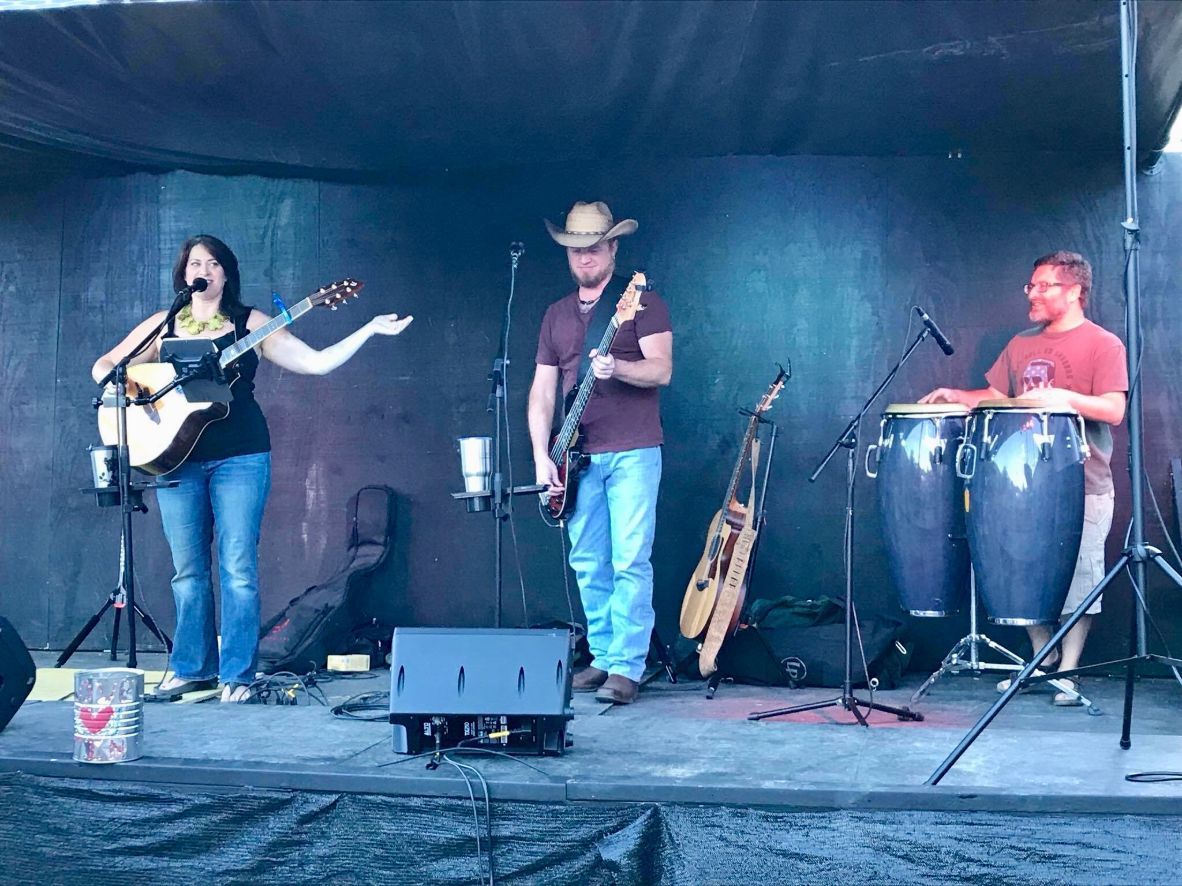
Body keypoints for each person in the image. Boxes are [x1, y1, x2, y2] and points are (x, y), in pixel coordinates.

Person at [91, 235, 413, 703]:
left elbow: (316, 363)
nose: (203, 271)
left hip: (239, 456)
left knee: (237, 566)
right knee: (187, 571)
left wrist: (367, 330)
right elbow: (104, 366)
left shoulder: (252, 324)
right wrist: (132, 389)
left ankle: (237, 675)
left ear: (226, 274)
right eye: (194, 263)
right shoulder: (164, 324)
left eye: (212, 263)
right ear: (184, 274)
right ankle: (191, 669)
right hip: (174, 457)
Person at [920, 250, 1127, 705]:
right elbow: (996, 396)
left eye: (1043, 286)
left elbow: (1114, 409)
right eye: (1030, 286)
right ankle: (1041, 657)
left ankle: (1069, 671)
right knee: (1021, 570)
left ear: (1074, 291)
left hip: (1081, 484)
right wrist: (958, 395)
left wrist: (1062, 397)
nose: (1032, 294)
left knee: (1079, 578)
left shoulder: (1103, 344)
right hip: (1018, 485)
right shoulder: (1020, 343)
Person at [528, 202, 673, 705]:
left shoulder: (642, 303)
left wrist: (619, 369)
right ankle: (605, 655)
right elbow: (543, 390)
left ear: (612, 247)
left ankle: (628, 667)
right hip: (575, 455)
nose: (584, 256)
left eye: (593, 247)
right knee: (588, 560)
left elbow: (662, 370)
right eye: (575, 249)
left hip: (633, 450)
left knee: (630, 558)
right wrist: (541, 454)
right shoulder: (555, 315)